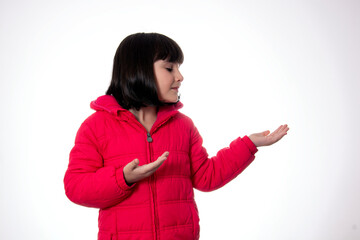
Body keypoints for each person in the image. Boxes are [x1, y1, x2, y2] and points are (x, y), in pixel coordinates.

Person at [64, 32, 289, 240]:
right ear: (139, 71)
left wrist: (249, 145)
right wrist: (123, 178)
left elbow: (206, 176)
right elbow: (75, 186)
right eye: (169, 68)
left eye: (178, 68)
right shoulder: (96, 127)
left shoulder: (183, 126)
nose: (180, 76)